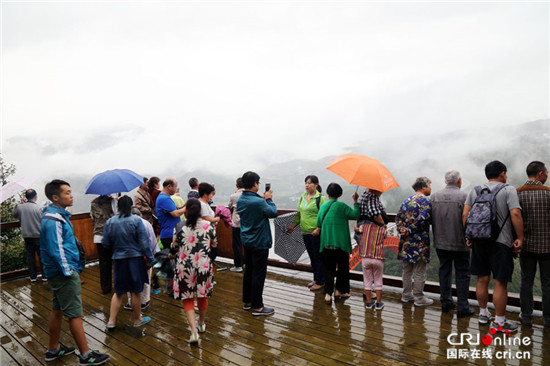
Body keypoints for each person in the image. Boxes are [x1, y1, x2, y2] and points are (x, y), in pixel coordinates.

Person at [40, 179, 109, 365]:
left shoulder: (56, 215)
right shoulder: (54, 220)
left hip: (57, 273)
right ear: (55, 197)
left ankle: (53, 349)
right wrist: (69, 272)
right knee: (75, 313)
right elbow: (57, 250)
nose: (72, 195)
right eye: (67, 192)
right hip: (63, 274)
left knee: (57, 309)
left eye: (71, 192)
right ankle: (86, 355)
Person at [463, 160, 523, 332]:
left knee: (481, 279)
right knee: (499, 282)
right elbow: (515, 213)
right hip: (501, 242)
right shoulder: (508, 189)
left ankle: (483, 314)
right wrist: (519, 237)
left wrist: (468, 235)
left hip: (479, 241)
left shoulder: (475, 190)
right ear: (502, 173)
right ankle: (500, 321)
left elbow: (465, 214)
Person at [103, 196, 154, 328]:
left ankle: (111, 321)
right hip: (135, 260)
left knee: (118, 292)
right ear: (131, 207)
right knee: (135, 291)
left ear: (118, 207)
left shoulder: (110, 222)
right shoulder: (136, 220)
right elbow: (144, 243)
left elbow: (105, 243)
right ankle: (137, 319)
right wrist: (150, 258)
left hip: (118, 260)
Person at [171, 199, 216, 343]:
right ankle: (201, 324)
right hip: (203, 266)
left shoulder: (179, 227)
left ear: (186, 210)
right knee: (202, 296)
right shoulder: (209, 226)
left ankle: (193, 332)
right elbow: (215, 245)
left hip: (185, 267)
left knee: (188, 297)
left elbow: (174, 248)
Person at [431, 170, 474, 317]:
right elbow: (468, 219)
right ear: (459, 181)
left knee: (444, 271)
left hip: (441, 241)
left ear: (445, 181)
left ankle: (446, 302)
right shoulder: (464, 196)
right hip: (460, 242)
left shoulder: (434, 196)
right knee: (462, 273)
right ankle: (463, 306)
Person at [237, 171, 278, 316]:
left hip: (247, 241)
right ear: (255, 183)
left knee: (249, 271)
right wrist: (270, 200)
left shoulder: (241, 199)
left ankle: (247, 302)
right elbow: (273, 213)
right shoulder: (259, 201)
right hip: (259, 242)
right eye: (258, 183)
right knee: (258, 274)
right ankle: (258, 306)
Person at [516, 161, 550, 327]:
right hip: (547, 246)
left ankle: (527, 316)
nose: (547, 175)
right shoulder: (549, 193)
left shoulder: (518, 193)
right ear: (540, 174)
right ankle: (548, 319)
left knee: (526, 281)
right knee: (548, 282)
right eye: (546, 172)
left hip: (526, 246)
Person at [315, 183, 360, 305]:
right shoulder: (342, 206)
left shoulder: (323, 207)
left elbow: (319, 222)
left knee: (328, 270)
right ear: (339, 194)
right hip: (341, 244)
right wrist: (355, 201)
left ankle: (328, 294)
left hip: (326, 243)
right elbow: (356, 214)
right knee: (343, 269)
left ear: (328, 193)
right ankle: (339, 291)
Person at [397, 177, 433, 307]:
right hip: (419, 242)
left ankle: (406, 295)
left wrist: (402, 230)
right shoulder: (425, 201)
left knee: (407, 270)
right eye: (429, 185)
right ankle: (419, 298)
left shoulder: (406, 200)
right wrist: (411, 230)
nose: (430, 187)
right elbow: (423, 218)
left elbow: (398, 218)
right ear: (423, 187)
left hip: (406, 241)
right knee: (419, 271)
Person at [287, 175, 327, 291]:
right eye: (306, 183)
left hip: (316, 233)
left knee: (318, 257)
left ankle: (321, 281)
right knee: (312, 257)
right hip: (305, 232)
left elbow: (324, 215)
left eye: (309, 183)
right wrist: (293, 226)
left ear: (316, 185)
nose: (307, 185)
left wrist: (318, 228)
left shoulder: (321, 198)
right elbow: (299, 214)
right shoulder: (303, 196)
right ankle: (316, 278)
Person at [354, 188, 387, 310]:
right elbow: (375, 213)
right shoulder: (372, 197)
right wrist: (383, 224)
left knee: (367, 279)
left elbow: (357, 228)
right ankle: (378, 303)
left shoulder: (364, 228)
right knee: (378, 280)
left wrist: (355, 201)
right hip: (378, 257)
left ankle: (369, 303)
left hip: (365, 255)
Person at [124, 208, 160, 311]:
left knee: (130, 279)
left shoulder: (124, 224)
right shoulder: (146, 223)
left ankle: (130, 302)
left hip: (128, 256)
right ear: (140, 215)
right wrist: (154, 255)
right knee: (145, 278)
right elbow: (152, 240)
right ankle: (144, 301)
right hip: (144, 257)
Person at [13, 189, 45, 283]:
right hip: (38, 235)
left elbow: (14, 214)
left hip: (26, 236)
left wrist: (21, 205)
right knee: (41, 256)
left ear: (26, 197)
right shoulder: (38, 208)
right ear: (36, 196)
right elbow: (42, 220)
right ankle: (44, 277)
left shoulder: (20, 207)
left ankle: (33, 278)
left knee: (30, 257)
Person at [90, 194, 116, 294]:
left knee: (104, 263)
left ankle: (105, 288)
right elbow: (117, 215)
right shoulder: (113, 201)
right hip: (112, 236)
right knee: (116, 262)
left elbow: (92, 217)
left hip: (99, 237)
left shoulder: (93, 202)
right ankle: (118, 285)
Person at [156, 178, 186, 250]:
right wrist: (188, 207)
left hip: (170, 234)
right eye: (175, 186)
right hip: (169, 234)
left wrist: (182, 207)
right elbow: (175, 214)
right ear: (169, 186)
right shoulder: (164, 198)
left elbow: (173, 210)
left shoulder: (165, 197)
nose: (176, 189)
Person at [228, 178, 244, 272]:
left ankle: (238, 265)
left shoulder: (234, 196)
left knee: (237, 245)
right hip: (247, 224)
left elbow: (229, 206)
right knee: (246, 244)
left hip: (236, 224)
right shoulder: (248, 196)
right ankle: (246, 263)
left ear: (237, 185)